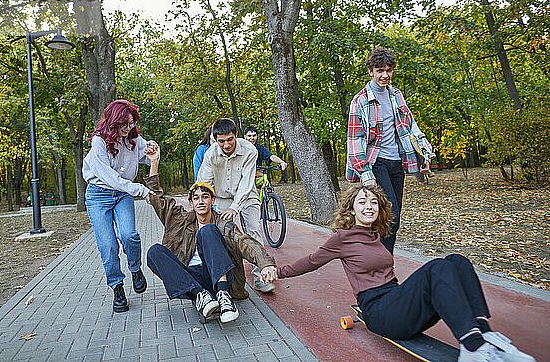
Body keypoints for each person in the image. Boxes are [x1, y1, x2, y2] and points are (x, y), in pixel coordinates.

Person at [276, 185, 535, 362]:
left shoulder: (378, 235)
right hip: (379, 311)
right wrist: (277, 272)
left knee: (457, 261)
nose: (369, 206)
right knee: (438, 267)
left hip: (398, 300)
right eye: (362, 202)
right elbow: (311, 261)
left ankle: (485, 337)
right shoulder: (342, 238)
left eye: (373, 202)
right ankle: (472, 347)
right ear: (351, 209)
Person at [144, 143, 277, 323]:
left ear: (212, 200)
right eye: (196, 198)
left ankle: (223, 296)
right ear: (190, 202)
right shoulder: (179, 220)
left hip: (218, 277)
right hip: (191, 278)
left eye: (205, 197)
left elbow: (245, 242)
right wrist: (154, 163)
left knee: (207, 231)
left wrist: (265, 263)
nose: (200, 201)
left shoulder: (222, 224)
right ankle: (200, 296)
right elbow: (158, 199)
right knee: (153, 252)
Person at [346, 47, 434, 254]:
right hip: (375, 163)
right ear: (370, 71)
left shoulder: (396, 95)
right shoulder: (360, 101)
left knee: (393, 218)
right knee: (389, 213)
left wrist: (425, 153)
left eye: (388, 70)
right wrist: (365, 173)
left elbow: (411, 126)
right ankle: (374, 260)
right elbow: (355, 140)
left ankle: (383, 262)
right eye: (379, 70)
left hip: (397, 162)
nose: (385, 75)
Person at [82, 99, 152, 313]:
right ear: (113, 121)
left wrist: (152, 149)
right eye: (124, 123)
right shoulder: (99, 143)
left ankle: (135, 269)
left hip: (122, 195)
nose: (128, 128)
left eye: (131, 123)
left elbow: (146, 157)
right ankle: (117, 287)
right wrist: (140, 189)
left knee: (129, 235)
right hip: (98, 196)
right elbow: (110, 178)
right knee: (108, 246)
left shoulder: (133, 138)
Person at [197, 118, 275, 293]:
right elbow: (204, 182)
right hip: (222, 198)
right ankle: (229, 279)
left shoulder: (249, 150)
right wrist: (204, 204)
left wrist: (236, 207)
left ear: (236, 136)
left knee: (253, 230)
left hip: (247, 195)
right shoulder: (211, 154)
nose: (226, 145)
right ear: (216, 140)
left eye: (230, 139)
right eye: (221, 141)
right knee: (224, 234)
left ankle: (259, 278)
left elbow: (247, 183)